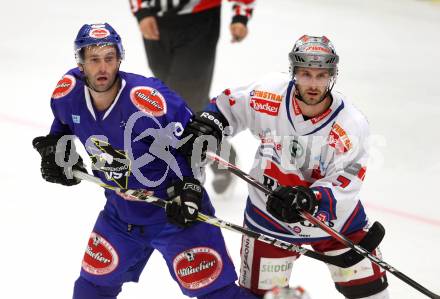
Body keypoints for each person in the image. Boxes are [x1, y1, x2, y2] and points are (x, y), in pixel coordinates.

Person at [32, 23, 258, 299]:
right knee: (90, 290)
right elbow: (63, 126)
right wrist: (55, 150)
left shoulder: (149, 99)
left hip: (175, 215)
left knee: (218, 295)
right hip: (120, 215)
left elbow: (192, 146)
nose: (103, 68)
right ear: (80, 63)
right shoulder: (67, 93)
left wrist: (190, 190)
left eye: (109, 58)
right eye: (94, 60)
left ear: (119, 59)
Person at [180, 35, 389, 298]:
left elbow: (347, 182)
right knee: (259, 296)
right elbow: (229, 105)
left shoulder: (350, 125)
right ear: (293, 72)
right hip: (270, 220)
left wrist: (310, 198)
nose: (313, 84)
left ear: (332, 76)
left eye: (321, 75)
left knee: (373, 294)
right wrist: (212, 122)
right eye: (305, 74)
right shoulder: (269, 94)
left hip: (334, 223)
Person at [129, 0, 256, 193]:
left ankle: (186, 174)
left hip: (199, 21)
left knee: (186, 99)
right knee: (169, 100)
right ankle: (222, 154)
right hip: (156, 20)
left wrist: (241, 14)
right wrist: (142, 12)